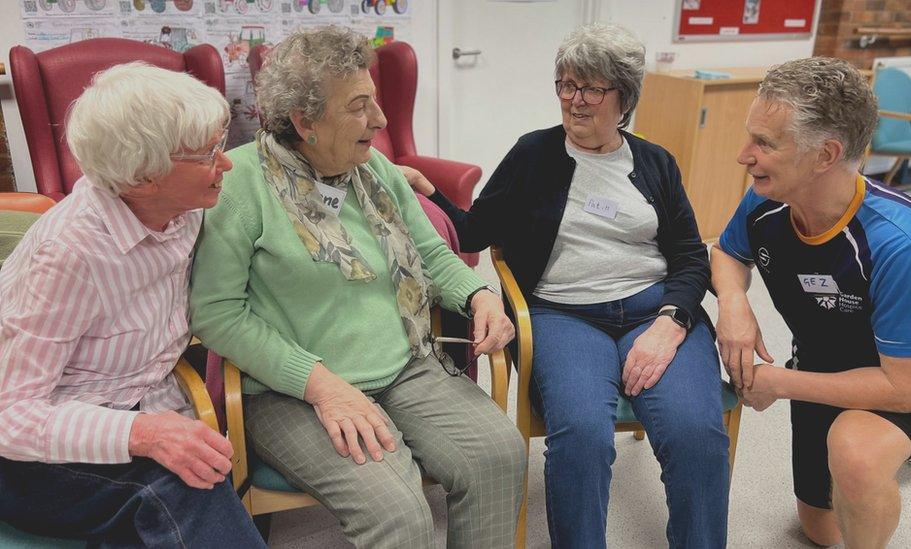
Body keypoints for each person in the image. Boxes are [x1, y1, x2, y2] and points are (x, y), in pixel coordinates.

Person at [188, 26, 526, 549]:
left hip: (404, 364)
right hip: (291, 391)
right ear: (305, 122)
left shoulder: (376, 170)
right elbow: (217, 314)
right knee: (398, 513)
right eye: (359, 106)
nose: (381, 120)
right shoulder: (241, 187)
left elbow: (432, 255)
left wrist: (478, 295)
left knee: (499, 455)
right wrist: (321, 385)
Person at [406, 22, 729, 549]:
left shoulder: (655, 163)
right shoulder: (533, 154)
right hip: (563, 314)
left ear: (624, 98)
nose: (575, 101)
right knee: (580, 438)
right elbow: (473, 231)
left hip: (657, 311)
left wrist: (672, 323)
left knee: (696, 436)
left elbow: (691, 256)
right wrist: (429, 192)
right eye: (567, 85)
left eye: (591, 88)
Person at [712, 57, 911, 548]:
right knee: (820, 530)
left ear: (825, 155)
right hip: (825, 363)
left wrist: (777, 382)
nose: (744, 155)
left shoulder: (905, 244)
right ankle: (898, 449)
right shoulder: (768, 199)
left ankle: (888, 446)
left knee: (854, 451)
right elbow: (727, 252)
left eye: (764, 143)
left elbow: (910, 391)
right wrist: (734, 306)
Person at [0, 63, 265, 547]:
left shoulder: (182, 209)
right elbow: (11, 416)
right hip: (39, 459)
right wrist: (142, 434)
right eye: (208, 153)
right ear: (144, 177)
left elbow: (268, 170)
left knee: (210, 474)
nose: (225, 163)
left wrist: (382, 170)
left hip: (147, 404)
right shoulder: (69, 255)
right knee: (189, 489)